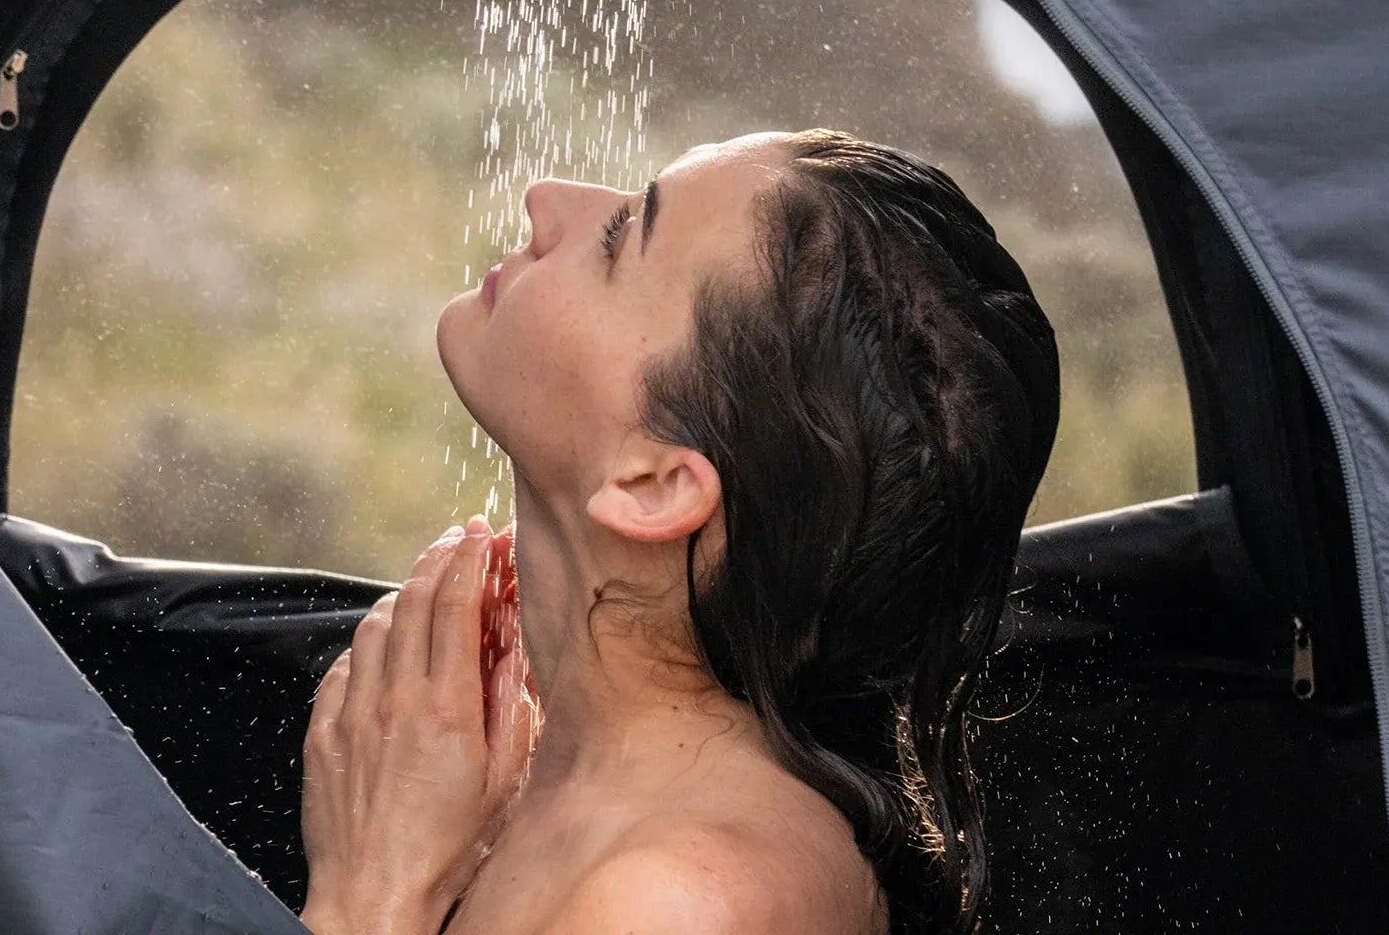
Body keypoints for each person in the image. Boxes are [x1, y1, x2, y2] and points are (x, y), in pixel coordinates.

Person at [296, 131, 1060, 935]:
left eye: (620, 239)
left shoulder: (679, 905)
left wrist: (369, 898)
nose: (545, 197)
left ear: (653, 484)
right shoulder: (511, 779)